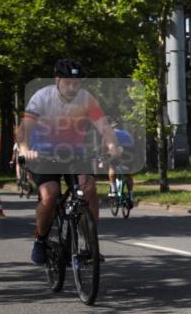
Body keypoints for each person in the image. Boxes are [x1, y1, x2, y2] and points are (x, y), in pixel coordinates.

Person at [16, 59, 121, 265]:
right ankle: (41, 239)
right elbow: (24, 128)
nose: (73, 87)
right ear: (57, 80)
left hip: (75, 153)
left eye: (77, 83)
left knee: (88, 188)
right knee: (50, 194)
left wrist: (112, 146)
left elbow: (104, 127)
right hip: (43, 153)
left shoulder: (86, 99)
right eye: (68, 83)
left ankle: (90, 242)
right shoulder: (42, 97)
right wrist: (25, 150)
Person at [107, 119, 135, 205]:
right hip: (130, 152)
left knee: (112, 167)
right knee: (128, 174)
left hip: (119, 150)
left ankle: (114, 188)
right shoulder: (127, 133)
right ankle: (130, 194)